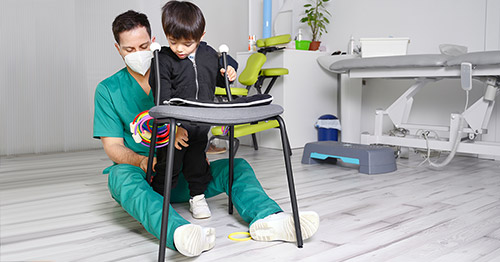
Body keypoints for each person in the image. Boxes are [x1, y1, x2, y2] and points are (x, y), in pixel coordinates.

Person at [93, 9, 320, 258]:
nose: (138, 54)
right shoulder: (108, 90)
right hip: (145, 175)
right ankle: (180, 234)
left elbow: (214, 75)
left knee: (238, 166)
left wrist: (227, 72)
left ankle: (270, 219)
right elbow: (112, 147)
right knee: (119, 177)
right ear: (118, 49)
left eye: (144, 45)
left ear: (155, 40)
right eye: (129, 49)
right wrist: (143, 161)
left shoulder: (182, 69)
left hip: (186, 176)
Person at [149, 0, 237, 220]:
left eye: (187, 43)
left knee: (197, 162)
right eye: (172, 41)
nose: (179, 48)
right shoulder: (163, 59)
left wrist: (230, 70)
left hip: (200, 124)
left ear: (201, 36)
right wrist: (173, 128)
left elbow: (224, 65)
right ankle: (160, 200)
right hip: (173, 126)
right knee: (169, 164)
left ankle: (197, 198)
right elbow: (162, 96)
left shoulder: (208, 54)